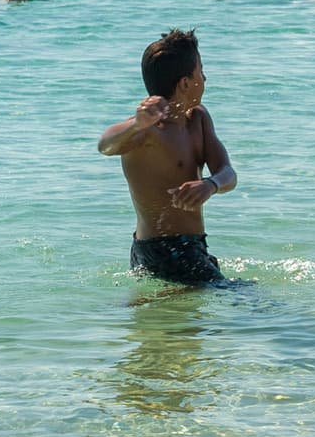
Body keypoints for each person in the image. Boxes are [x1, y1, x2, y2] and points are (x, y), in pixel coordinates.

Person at [97, 29, 237, 286]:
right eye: (201, 71)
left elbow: (228, 173)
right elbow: (105, 144)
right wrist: (136, 124)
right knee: (251, 302)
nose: (205, 77)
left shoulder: (199, 119)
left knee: (193, 318)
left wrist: (210, 184)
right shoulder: (147, 130)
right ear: (185, 83)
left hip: (193, 246)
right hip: (160, 249)